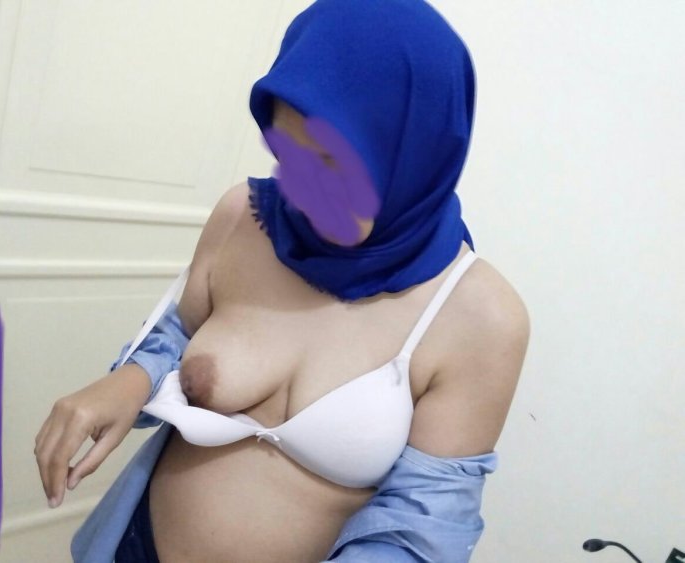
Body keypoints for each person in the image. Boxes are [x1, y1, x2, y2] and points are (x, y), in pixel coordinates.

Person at [35, 1, 530, 561]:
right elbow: (179, 334)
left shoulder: (480, 316)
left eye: (332, 164)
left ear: (415, 154)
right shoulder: (243, 217)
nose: (300, 190)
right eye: (286, 153)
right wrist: (128, 381)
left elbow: (424, 529)